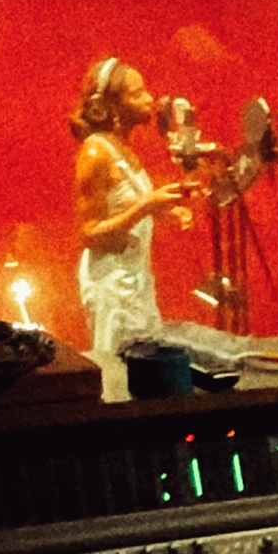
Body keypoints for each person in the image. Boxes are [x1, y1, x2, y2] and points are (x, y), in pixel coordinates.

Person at [71, 55, 192, 360]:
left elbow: (124, 206)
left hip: (134, 280)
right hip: (112, 288)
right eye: (137, 94)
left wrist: (167, 211)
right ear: (108, 106)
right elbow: (89, 234)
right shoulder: (96, 153)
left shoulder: (122, 148)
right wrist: (147, 206)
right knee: (120, 369)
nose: (149, 98)